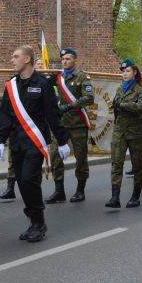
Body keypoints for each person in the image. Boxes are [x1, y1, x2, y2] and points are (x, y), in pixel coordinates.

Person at [0, 46, 69, 242]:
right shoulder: (11, 85)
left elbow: (52, 113)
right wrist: (1, 140)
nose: (12, 60)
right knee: (21, 182)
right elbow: (4, 113)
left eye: (15, 56)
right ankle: (32, 221)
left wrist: (62, 141)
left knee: (30, 180)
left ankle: (39, 223)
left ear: (27, 59)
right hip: (17, 142)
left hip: (35, 142)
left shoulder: (43, 84)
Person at [46, 47, 93, 203]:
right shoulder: (58, 77)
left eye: (68, 59)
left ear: (74, 60)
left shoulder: (82, 77)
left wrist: (70, 106)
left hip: (78, 123)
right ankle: (59, 191)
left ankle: (80, 190)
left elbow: (89, 98)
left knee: (80, 157)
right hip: (61, 124)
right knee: (55, 157)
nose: (65, 61)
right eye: (63, 59)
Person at [106, 58, 142, 208]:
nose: (124, 74)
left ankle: (136, 196)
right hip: (120, 131)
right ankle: (115, 197)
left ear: (135, 72)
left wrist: (123, 105)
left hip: (135, 132)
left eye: (127, 71)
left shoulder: (140, 90)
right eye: (123, 71)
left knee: (138, 165)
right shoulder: (120, 89)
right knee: (116, 164)